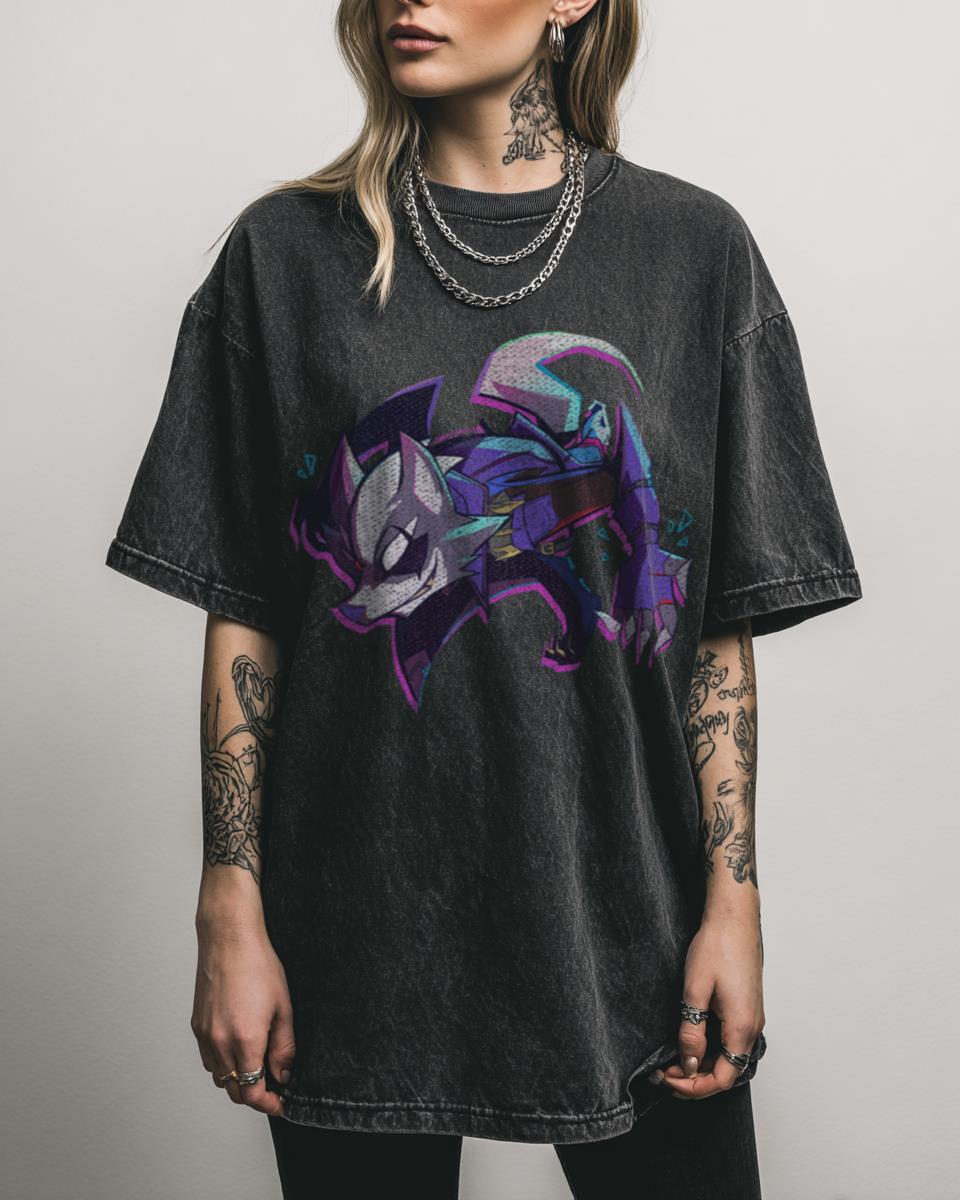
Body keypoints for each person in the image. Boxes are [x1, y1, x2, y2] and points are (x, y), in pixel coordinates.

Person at [104, 1, 863, 1196]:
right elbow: (246, 610)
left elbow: (714, 630)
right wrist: (229, 905)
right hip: (353, 929)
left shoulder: (695, 253)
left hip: (632, 920)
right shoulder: (284, 256)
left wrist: (734, 901)